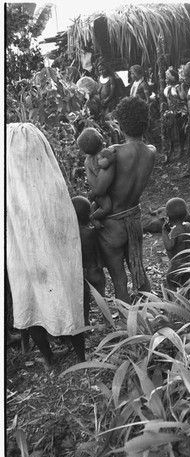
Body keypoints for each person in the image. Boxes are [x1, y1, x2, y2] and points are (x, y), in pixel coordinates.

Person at [6, 123, 86, 369]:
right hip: (57, 255)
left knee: (30, 299)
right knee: (67, 295)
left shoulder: (10, 190)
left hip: (25, 255)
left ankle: (49, 359)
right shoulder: (52, 185)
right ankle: (81, 356)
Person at [87, 96, 156, 304]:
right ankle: (152, 314)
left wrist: (87, 166)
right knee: (138, 270)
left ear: (121, 123)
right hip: (134, 219)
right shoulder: (151, 152)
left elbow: (99, 188)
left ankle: (130, 330)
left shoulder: (114, 153)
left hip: (112, 224)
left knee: (119, 279)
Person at [71, 196, 106, 325]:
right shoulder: (91, 233)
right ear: (88, 215)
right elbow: (99, 250)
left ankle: (85, 322)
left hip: (81, 273)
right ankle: (107, 320)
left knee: (84, 300)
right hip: (95, 270)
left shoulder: (71, 234)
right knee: (102, 297)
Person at [77, 127, 115, 228]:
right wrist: (111, 155)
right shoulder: (102, 154)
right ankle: (93, 217)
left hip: (93, 189)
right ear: (101, 139)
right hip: (99, 190)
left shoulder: (88, 160)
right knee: (107, 207)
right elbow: (106, 164)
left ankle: (93, 210)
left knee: (97, 203)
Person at [162, 197, 190, 290]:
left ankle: (172, 300)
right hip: (189, 262)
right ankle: (187, 298)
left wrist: (164, 232)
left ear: (167, 215)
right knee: (185, 283)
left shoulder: (175, 231)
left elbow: (169, 246)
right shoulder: (188, 226)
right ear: (186, 213)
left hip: (177, 265)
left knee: (171, 281)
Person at [163, 67, 188, 161]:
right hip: (171, 113)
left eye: (167, 77)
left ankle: (181, 150)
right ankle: (172, 149)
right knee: (170, 132)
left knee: (180, 132)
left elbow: (183, 97)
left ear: (172, 78)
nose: (165, 79)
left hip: (180, 113)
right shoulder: (167, 88)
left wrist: (181, 86)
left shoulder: (178, 87)